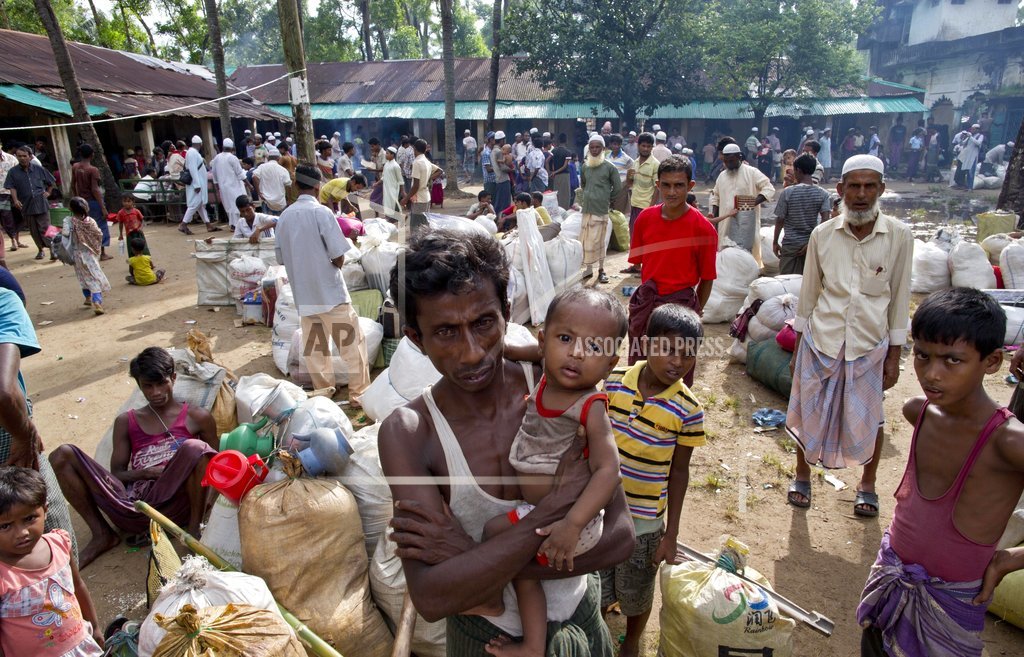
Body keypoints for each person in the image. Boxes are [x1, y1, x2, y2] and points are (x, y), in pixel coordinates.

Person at [378, 228, 633, 656]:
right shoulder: (410, 433)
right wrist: (553, 511)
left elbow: (621, 536)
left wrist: (476, 559)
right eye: (446, 332)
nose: (472, 352)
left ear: (506, 313)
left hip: (581, 618)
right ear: (416, 338)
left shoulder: (560, 387)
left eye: (483, 323)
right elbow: (433, 597)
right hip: (488, 644)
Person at [858, 288, 1024, 657]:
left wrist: (1009, 559)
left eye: (952, 360)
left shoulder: (1009, 441)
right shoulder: (919, 412)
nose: (931, 374)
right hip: (890, 580)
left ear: (992, 361)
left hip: (951, 605)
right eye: (922, 355)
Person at [480, 287, 626, 657]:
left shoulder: (590, 405)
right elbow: (535, 352)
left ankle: (527, 638)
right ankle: (512, 618)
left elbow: (609, 470)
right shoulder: (550, 374)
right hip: (542, 513)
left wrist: (572, 524)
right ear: (544, 341)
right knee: (508, 551)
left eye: (594, 347)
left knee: (507, 551)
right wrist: (508, 350)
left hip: (569, 521)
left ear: (611, 363)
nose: (577, 353)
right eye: (565, 339)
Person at [785, 154, 913, 516]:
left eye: (869, 186)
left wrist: (894, 357)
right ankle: (802, 475)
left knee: (872, 417)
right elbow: (808, 295)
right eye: (854, 186)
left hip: (869, 344)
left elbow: (900, 298)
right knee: (808, 409)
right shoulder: (823, 235)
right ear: (840, 189)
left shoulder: (899, 236)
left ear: (881, 189)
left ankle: (867, 484)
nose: (861, 194)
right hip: (822, 340)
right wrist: (797, 348)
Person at [49, 347, 217, 567]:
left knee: (195, 448)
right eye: (148, 386)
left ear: (174, 378)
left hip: (179, 506)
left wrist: (206, 503)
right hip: (135, 508)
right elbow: (118, 473)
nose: (156, 392)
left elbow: (216, 467)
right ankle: (102, 534)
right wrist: (148, 473)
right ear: (139, 385)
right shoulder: (127, 421)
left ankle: (194, 529)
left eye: (162, 383)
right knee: (62, 454)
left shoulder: (197, 417)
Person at [601, 304, 706, 657]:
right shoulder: (614, 381)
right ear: (645, 345)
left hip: (644, 524)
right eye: (668, 350)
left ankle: (631, 642)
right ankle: (598, 630)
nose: (677, 362)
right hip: (600, 511)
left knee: (637, 592)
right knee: (598, 583)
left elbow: (679, 472)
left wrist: (670, 534)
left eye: (688, 355)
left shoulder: (688, 410)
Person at [275, 165, 370, 404]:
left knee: (316, 350)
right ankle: (358, 395)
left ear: (296, 186)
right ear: (318, 187)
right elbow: (338, 256)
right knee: (351, 346)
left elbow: (281, 258)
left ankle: (324, 393)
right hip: (330, 294)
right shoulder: (321, 213)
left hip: (305, 296)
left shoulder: (284, 217)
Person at [626, 156, 716, 379]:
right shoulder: (645, 219)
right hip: (647, 302)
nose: (672, 192)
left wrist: (693, 313)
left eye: (679, 185)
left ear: (690, 186)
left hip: (681, 305)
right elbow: (643, 264)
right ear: (658, 185)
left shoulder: (704, 229)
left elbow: (707, 279)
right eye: (666, 185)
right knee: (640, 365)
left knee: (676, 366)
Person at [0, 467, 104, 656]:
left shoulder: (59, 544)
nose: (22, 532)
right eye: (5, 526)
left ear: (45, 510)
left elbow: (77, 586)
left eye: (29, 518)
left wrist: (95, 627)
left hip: (80, 646)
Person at [709, 142, 774, 267]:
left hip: (746, 222)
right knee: (726, 254)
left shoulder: (752, 172)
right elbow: (715, 196)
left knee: (747, 254)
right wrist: (714, 216)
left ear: (739, 157)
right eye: (726, 161)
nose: (728, 164)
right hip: (726, 222)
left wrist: (750, 203)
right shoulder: (722, 176)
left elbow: (769, 188)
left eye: (731, 161)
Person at [771, 154, 832, 275]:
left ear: (798, 170)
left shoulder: (788, 192)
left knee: (787, 279)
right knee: (810, 279)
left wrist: (775, 241)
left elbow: (780, 219)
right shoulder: (823, 194)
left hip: (790, 245)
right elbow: (825, 221)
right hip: (811, 245)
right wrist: (812, 242)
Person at [579, 134, 622, 285]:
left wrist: (606, 199)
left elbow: (617, 188)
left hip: (601, 209)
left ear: (603, 149)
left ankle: (601, 270)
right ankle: (588, 269)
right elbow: (583, 184)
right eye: (592, 147)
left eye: (598, 147)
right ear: (588, 149)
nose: (595, 150)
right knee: (586, 240)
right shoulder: (585, 166)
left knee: (599, 241)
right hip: (587, 209)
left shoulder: (609, 167)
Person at [4, 145, 55, 260]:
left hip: (41, 203)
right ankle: (40, 250)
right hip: (25, 204)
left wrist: (48, 192)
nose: (22, 158)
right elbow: (12, 187)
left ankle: (53, 249)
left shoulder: (39, 169)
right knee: (33, 230)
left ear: (30, 156)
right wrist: (15, 200)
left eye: (24, 156)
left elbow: (51, 182)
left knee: (46, 228)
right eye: (19, 156)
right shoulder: (13, 172)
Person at [64, 197, 111, 316]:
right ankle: (97, 301)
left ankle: (88, 298)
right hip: (90, 254)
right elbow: (98, 234)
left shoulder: (69, 221)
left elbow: (65, 234)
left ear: (71, 209)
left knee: (82, 276)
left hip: (76, 254)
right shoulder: (90, 221)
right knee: (94, 277)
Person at [70, 143, 111, 261]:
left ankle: (90, 252)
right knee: (100, 226)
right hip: (93, 201)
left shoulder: (75, 167)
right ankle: (102, 253)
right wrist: (103, 207)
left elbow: (73, 184)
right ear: (92, 154)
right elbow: (95, 189)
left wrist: (76, 198)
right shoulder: (93, 170)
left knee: (85, 226)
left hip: (81, 202)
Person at [179, 136, 220, 236]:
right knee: (194, 204)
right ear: (200, 144)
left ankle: (208, 225)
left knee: (200, 205)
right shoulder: (192, 153)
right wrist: (197, 184)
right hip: (197, 184)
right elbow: (193, 169)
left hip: (198, 183)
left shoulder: (192, 152)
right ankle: (183, 224)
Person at [625, 132, 659, 242]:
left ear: (652, 147)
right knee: (634, 236)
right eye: (643, 146)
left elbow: (657, 188)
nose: (645, 149)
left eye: (648, 146)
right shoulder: (635, 163)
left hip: (646, 206)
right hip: (634, 204)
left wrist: (651, 208)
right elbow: (630, 184)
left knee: (645, 237)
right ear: (638, 146)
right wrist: (628, 176)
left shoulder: (655, 164)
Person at [211, 138, 247, 230]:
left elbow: (214, 173)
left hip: (223, 186)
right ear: (232, 148)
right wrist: (248, 184)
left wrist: (216, 184)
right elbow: (239, 172)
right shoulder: (232, 158)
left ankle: (233, 224)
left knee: (228, 205)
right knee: (236, 205)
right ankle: (235, 225)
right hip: (234, 185)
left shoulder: (216, 158)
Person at [405, 139, 433, 231]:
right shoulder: (427, 161)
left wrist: (406, 198)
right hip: (426, 197)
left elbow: (416, 185)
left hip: (419, 198)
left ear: (414, 149)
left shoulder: (417, 162)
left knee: (416, 227)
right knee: (425, 225)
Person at [252, 151, 291, 215]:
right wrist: (288, 199)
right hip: (280, 201)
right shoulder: (283, 170)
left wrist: (259, 193)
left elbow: (254, 177)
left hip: (266, 199)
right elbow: (288, 185)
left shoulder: (262, 167)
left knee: (267, 219)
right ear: (278, 158)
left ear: (268, 158)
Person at [606, 134, 633, 216]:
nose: (616, 146)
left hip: (621, 189)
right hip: (609, 189)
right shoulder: (607, 157)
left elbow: (632, 172)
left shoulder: (626, 158)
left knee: (619, 213)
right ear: (610, 144)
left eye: (618, 144)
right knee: (608, 212)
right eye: (614, 144)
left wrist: (627, 185)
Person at [381, 146, 405, 221]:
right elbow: (383, 177)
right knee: (387, 202)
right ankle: (390, 217)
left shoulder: (396, 166)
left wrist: (402, 191)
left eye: (387, 153)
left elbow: (400, 180)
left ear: (392, 155)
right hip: (386, 187)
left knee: (394, 202)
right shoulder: (386, 164)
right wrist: (377, 183)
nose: (386, 155)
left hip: (393, 188)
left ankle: (400, 216)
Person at [492, 132, 513, 215]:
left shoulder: (493, 151)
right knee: (505, 204)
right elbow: (503, 168)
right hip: (503, 179)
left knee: (500, 202)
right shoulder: (499, 152)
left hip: (498, 179)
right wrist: (512, 170)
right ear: (502, 140)